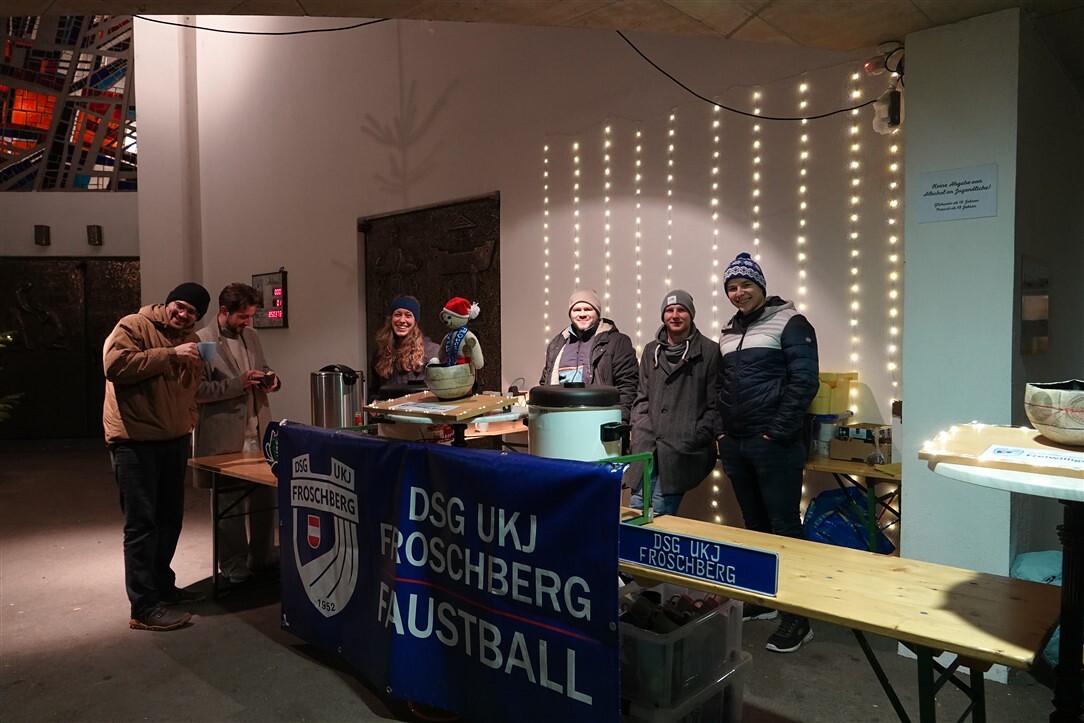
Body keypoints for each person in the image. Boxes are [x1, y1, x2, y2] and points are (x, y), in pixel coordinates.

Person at [715, 252, 819, 654]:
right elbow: (721, 385)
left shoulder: (791, 322)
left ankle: (798, 617)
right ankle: (764, 599)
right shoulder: (728, 332)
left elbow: (804, 381)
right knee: (755, 525)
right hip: (736, 443)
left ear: (760, 285)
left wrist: (776, 432)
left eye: (745, 285)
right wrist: (722, 432)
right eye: (732, 287)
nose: (738, 293)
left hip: (775, 444)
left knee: (785, 528)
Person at [103, 282, 211, 631]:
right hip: (135, 441)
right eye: (180, 306)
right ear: (168, 303)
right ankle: (143, 607)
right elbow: (115, 366)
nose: (183, 314)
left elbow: (190, 388)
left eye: (192, 312)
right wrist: (170, 354)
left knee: (169, 518)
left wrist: (189, 419)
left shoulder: (191, 340)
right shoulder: (134, 325)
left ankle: (162, 586)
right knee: (141, 524)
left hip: (173, 439)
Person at [193, 283, 281, 585]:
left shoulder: (252, 336)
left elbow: (264, 367)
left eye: (250, 316)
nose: (247, 322)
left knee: (265, 499)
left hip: (259, 431)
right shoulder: (201, 340)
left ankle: (262, 555)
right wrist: (238, 384)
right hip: (223, 438)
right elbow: (196, 391)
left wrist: (271, 380)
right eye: (242, 316)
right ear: (224, 311)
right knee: (227, 504)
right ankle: (233, 564)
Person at [626, 290, 721, 515]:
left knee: (661, 512)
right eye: (669, 310)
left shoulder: (709, 351)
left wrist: (694, 435)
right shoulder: (651, 350)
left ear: (691, 314)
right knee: (635, 508)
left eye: (681, 310)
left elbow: (715, 405)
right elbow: (642, 396)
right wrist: (639, 428)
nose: (675, 315)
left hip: (682, 450)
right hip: (647, 446)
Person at [540, 289, 639, 422]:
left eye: (588, 309)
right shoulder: (556, 345)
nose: (582, 314)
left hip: (599, 422)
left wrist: (617, 423)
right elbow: (545, 384)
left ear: (597, 312)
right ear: (570, 314)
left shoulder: (618, 342)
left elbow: (628, 387)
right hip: (559, 422)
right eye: (576, 310)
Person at [370, 295, 440, 399]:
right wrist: (374, 400)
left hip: (418, 408)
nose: (402, 320)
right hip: (387, 409)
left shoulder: (432, 351)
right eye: (397, 315)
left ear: (415, 321)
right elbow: (374, 391)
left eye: (408, 315)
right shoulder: (380, 352)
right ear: (391, 319)